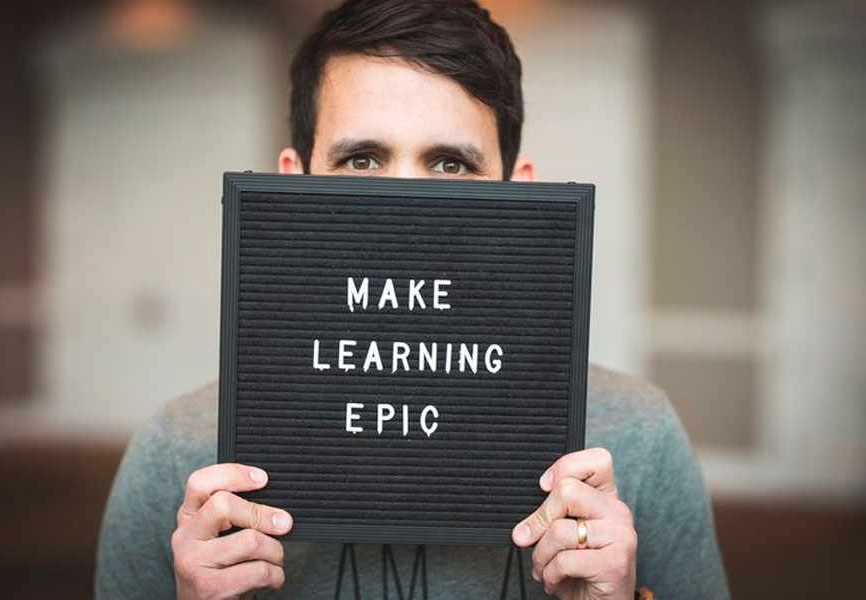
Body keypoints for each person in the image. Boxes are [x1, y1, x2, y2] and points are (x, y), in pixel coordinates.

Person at [95, 1, 729, 598]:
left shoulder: (639, 438)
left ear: (517, 192)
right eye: (362, 160)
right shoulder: (175, 454)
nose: (404, 209)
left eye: (450, 164)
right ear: (293, 183)